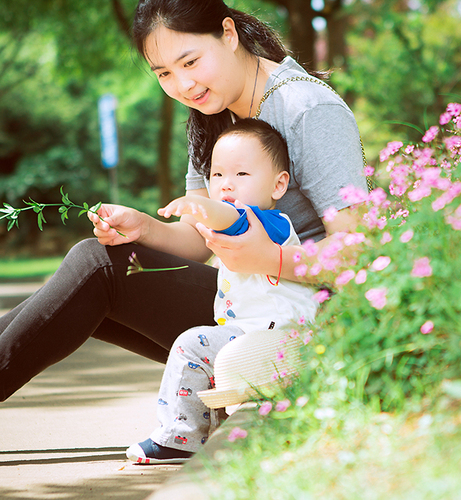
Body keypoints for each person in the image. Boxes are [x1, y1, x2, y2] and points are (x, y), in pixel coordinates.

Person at [0, 0, 367, 453]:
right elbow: (197, 239)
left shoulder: (306, 107)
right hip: (243, 306)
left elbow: (354, 255)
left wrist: (265, 257)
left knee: (97, 266)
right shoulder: (214, 115)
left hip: (302, 317)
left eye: (190, 61)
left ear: (228, 34)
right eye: (164, 73)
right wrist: (144, 229)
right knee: (98, 267)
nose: (183, 84)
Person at [126, 118, 317, 464]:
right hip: (251, 331)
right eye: (216, 175)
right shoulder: (230, 223)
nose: (227, 184)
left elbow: (232, 217)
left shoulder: (271, 223)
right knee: (206, 349)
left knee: (191, 344)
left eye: (241, 175)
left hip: (283, 333)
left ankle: (179, 436)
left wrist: (196, 207)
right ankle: (204, 424)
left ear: (278, 185)